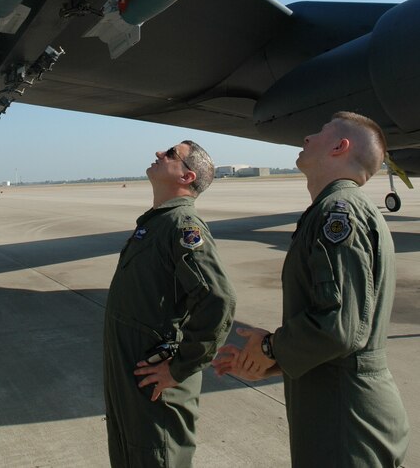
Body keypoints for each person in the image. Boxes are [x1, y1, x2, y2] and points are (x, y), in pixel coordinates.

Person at [213, 111, 409, 467]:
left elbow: (339, 328)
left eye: (319, 131)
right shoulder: (336, 209)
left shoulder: (339, 212)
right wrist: (270, 361)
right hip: (338, 405)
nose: (306, 137)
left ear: (340, 146)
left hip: (343, 415)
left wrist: (272, 346)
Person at [104, 140, 236, 467]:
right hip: (132, 383)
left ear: (187, 177)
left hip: (156, 388)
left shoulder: (182, 226)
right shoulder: (157, 223)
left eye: (171, 154)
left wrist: (179, 368)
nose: (159, 154)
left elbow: (218, 300)